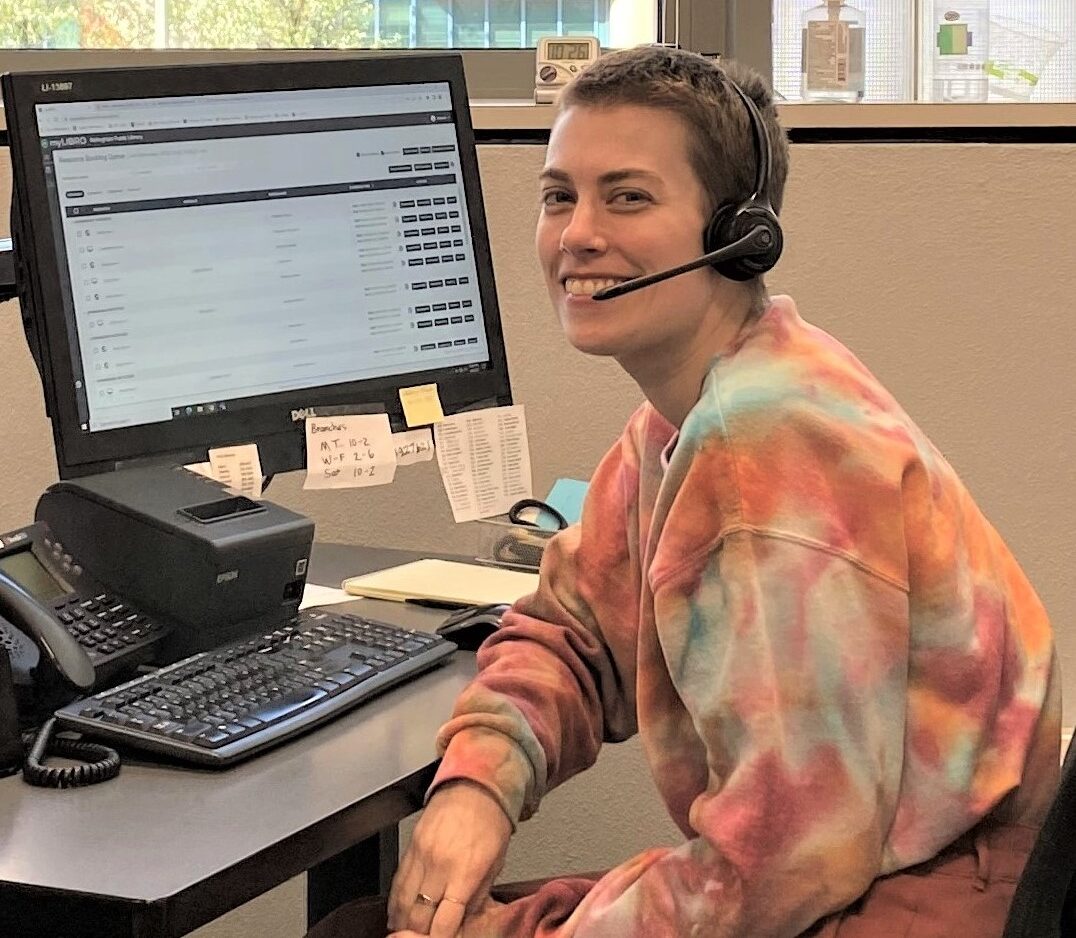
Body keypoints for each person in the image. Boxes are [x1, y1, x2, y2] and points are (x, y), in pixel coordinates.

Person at [309, 46, 1060, 938]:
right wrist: (477, 783)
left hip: (918, 903)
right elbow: (573, 636)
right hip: (842, 880)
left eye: (628, 197)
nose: (577, 235)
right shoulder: (692, 413)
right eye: (559, 196)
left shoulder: (767, 448)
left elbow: (785, 862)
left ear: (739, 234)